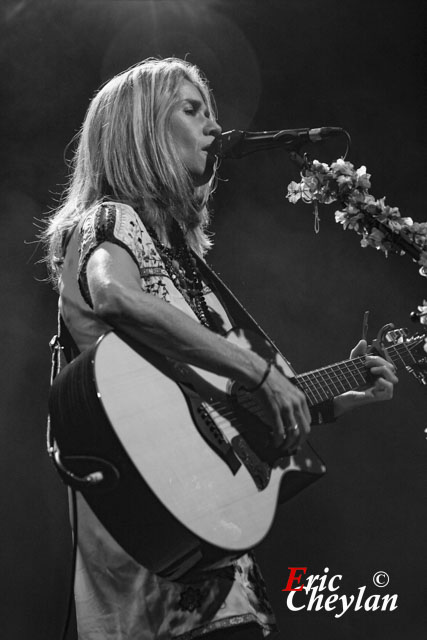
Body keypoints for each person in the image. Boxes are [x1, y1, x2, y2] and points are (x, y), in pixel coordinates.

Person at [42, 57, 398, 640]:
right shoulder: (111, 221)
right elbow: (114, 297)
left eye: (212, 111)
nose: (214, 127)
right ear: (142, 130)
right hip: (150, 566)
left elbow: (210, 407)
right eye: (192, 109)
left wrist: (332, 399)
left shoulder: (184, 261)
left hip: (206, 555)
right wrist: (257, 372)